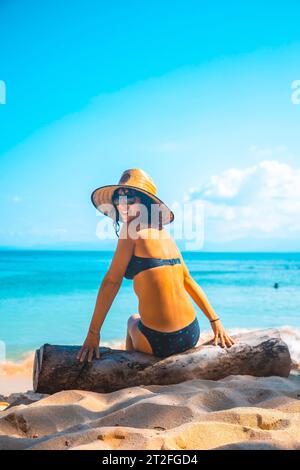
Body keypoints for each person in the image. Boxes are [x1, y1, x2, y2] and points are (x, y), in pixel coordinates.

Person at [77, 169, 235, 362]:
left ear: (145, 201)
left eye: (130, 198)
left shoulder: (130, 230)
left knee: (131, 320)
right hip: (191, 332)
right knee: (139, 317)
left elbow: (111, 281)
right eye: (118, 199)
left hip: (159, 340)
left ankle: (129, 371)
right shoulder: (165, 235)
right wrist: (215, 322)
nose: (122, 205)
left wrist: (93, 333)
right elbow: (188, 280)